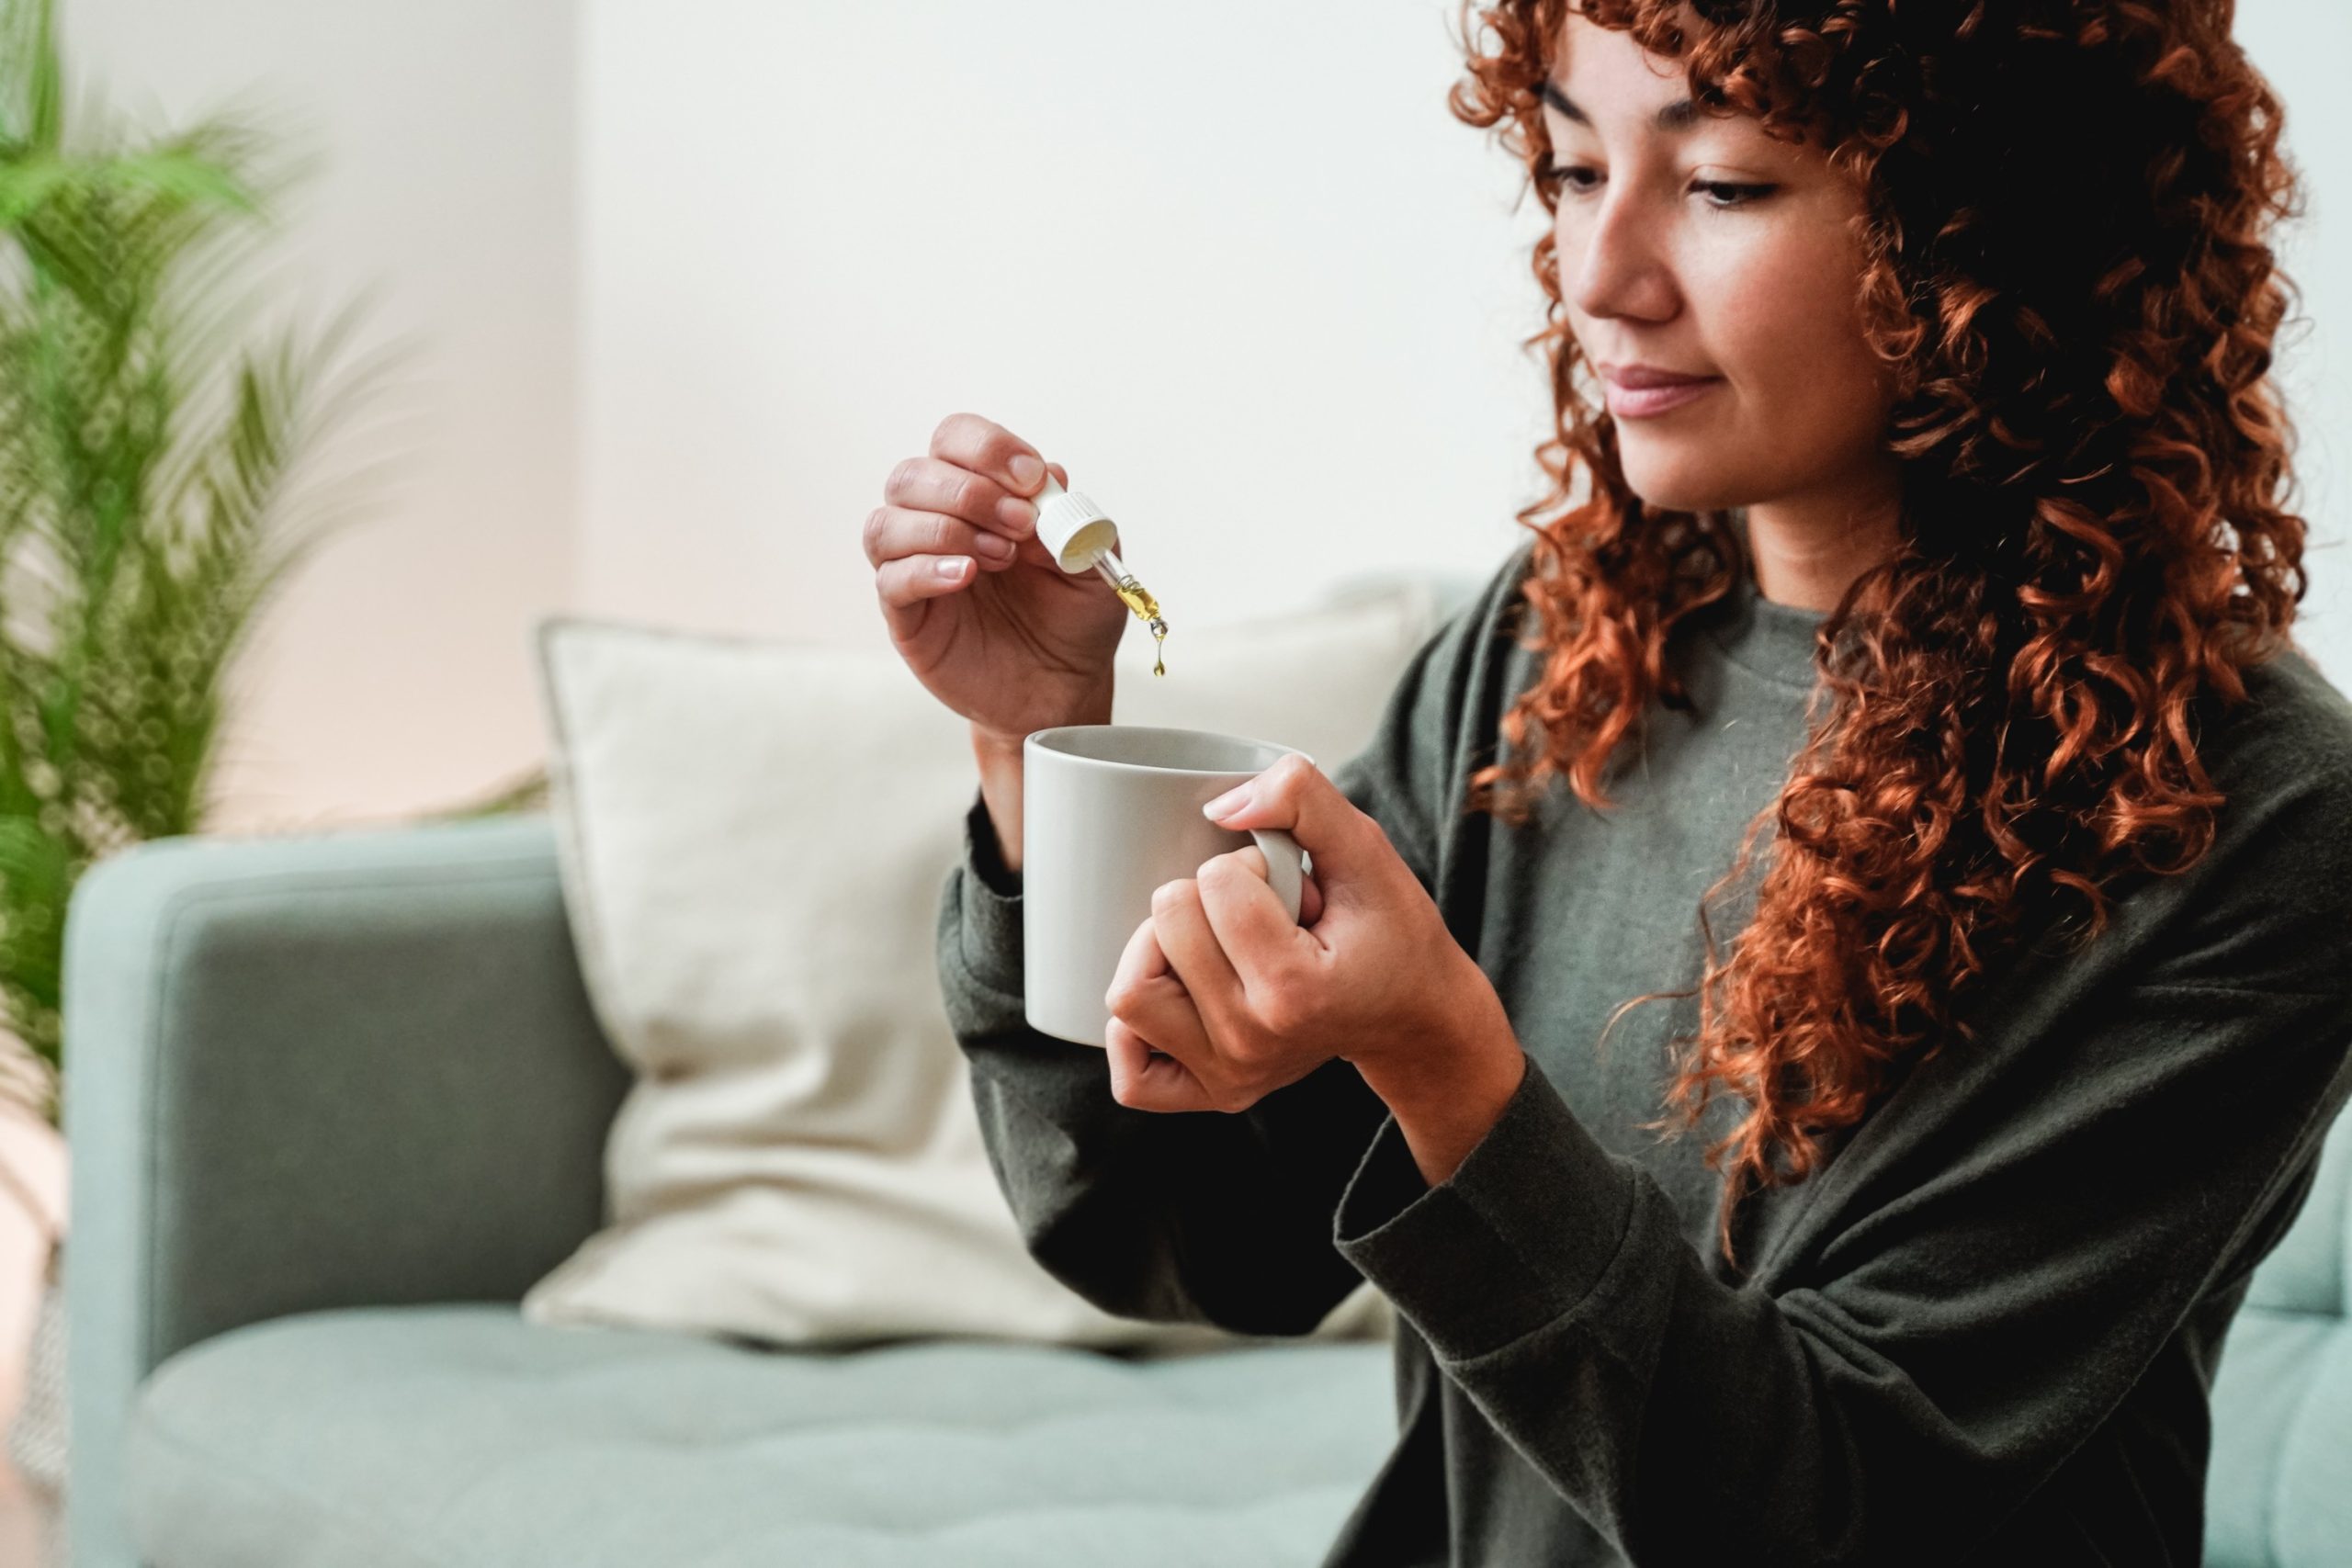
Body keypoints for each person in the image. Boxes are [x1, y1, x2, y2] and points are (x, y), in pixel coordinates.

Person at [863, 1, 2352, 1562]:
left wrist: (1450, 1073)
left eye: (1720, 184)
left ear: (1992, 223)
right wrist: (1043, 748)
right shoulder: (1552, 656)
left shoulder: (2235, 815)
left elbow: (1836, 1506)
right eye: (1574, 169)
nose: (1598, 275)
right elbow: (1192, 1240)